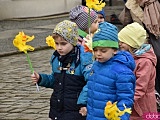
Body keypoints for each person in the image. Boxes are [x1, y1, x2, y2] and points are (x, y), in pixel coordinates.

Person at [31, 20, 93, 120]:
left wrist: (83, 102)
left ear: (73, 42)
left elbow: (91, 81)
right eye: (57, 43)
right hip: (58, 108)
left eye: (63, 44)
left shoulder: (83, 58)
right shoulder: (56, 58)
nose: (59, 48)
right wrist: (41, 78)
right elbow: (55, 80)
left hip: (76, 110)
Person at [82, 22, 136, 120]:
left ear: (115, 50)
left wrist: (120, 116)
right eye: (95, 50)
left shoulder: (122, 72)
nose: (98, 54)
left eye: (103, 51)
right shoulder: (96, 65)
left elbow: (125, 98)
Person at [118, 22, 158, 120]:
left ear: (132, 43)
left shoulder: (145, 62)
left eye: (123, 41)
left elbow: (140, 87)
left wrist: (125, 101)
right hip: (133, 103)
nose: (120, 44)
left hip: (144, 105)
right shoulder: (130, 57)